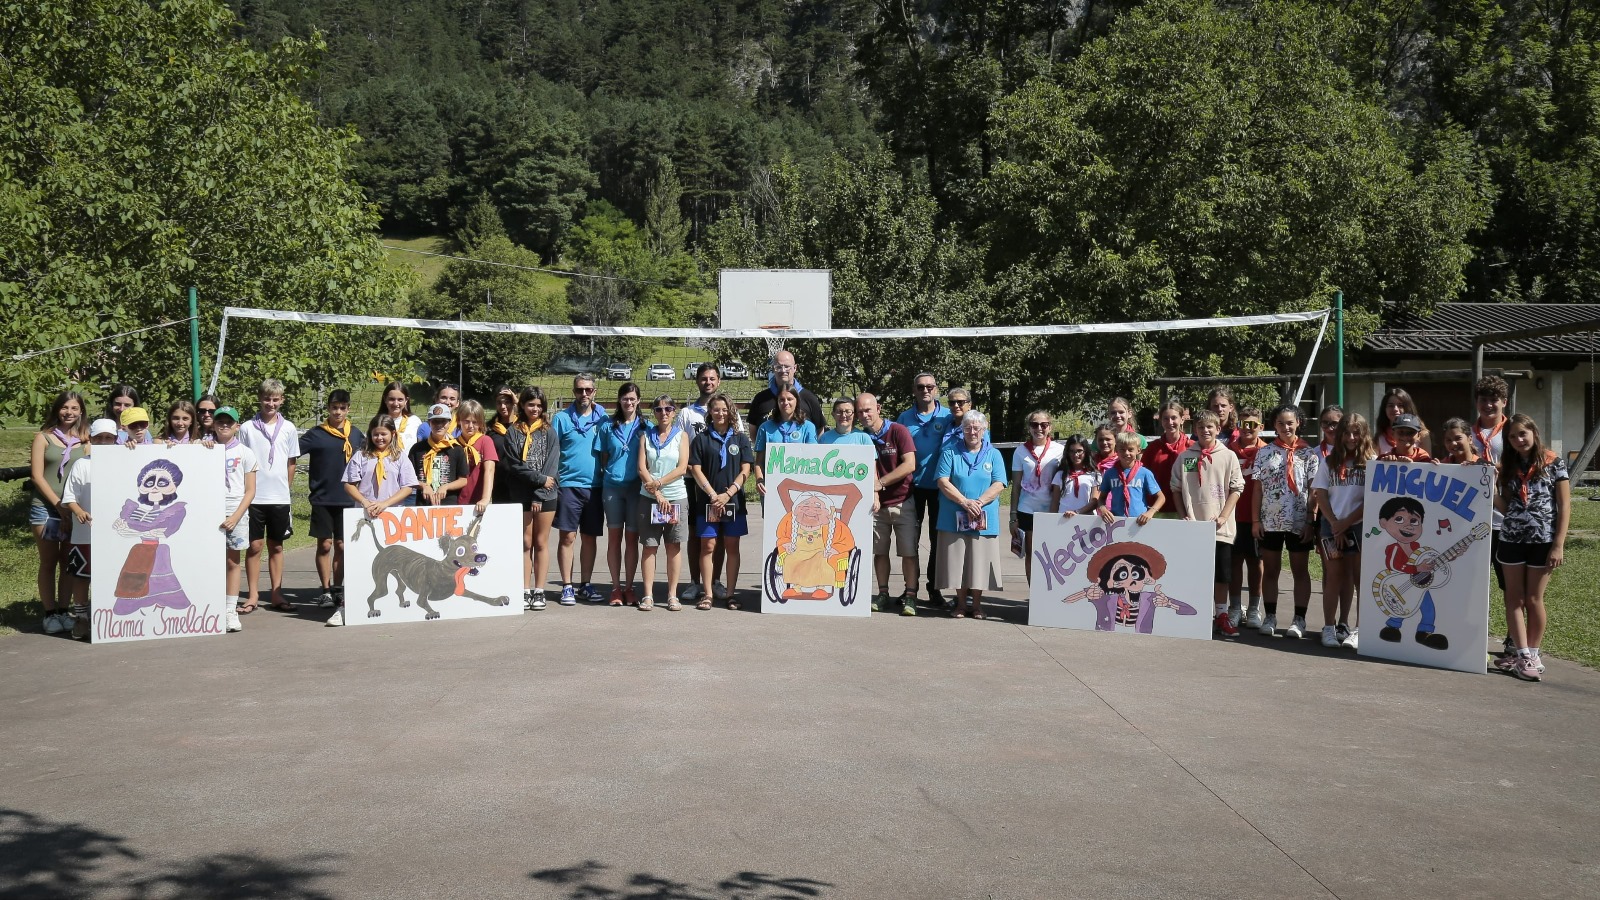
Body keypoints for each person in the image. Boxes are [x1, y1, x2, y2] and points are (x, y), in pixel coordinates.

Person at [1493, 414, 1570, 682]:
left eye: (1522, 434)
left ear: (1534, 433)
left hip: (1543, 541)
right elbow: (1506, 507)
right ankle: (1522, 654)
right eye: (1512, 437)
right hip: (1512, 539)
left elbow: (1564, 506)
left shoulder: (1553, 462)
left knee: (1535, 599)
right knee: (1514, 599)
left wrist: (1558, 545)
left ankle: (1534, 653)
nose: (1518, 440)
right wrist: (1492, 491)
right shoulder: (1508, 465)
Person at [335, 414, 421, 626]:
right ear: (370, 434)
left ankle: (397, 605)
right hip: (365, 516)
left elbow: (408, 486)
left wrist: (385, 504)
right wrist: (365, 502)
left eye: (384, 434)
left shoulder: (400, 457)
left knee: (393, 566)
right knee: (360, 563)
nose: (379, 438)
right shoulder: (361, 456)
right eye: (375, 434)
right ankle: (346, 607)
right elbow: (348, 484)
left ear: (393, 434)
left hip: (392, 517)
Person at [1168, 410, 1245, 638]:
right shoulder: (1186, 457)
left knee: (1221, 574)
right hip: (1195, 527)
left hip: (1220, 528)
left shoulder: (1228, 455)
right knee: (1196, 573)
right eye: (1201, 427)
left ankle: (1221, 615)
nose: (1205, 431)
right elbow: (1176, 488)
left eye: (1210, 427)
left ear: (1218, 429)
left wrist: (1223, 516)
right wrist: (1184, 515)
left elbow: (1237, 488)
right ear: (1195, 430)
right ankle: (1198, 615)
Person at [1252, 406, 1321, 641]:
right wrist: (1255, 520)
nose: (1285, 427)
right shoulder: (1264, 453)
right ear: (1275, 425)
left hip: (1299, 520)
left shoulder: (1309, 454)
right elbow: (1258, 488)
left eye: (1290, 422)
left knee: (1299, 570)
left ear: (1298, 423)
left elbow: (1315, 490)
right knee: (1271, 570)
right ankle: (1270, 616)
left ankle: (1299, 619)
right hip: (1270, 520)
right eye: (1280, 423)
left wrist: (1311, 520)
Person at [935, 410, 1008, 619]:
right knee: (958, 561)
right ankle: (959, 605)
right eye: (967, 428)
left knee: (979, 562)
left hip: (983, 517)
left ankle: (976, 606)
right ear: (962, 430)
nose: (972, 432)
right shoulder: (950, 451)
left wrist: (979, 503)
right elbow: (942, 480)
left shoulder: (994, 454)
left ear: (984, 431)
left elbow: (999, 483)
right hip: (953, 515)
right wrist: (964, 502)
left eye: (977, 428)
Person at [1310, 413, 1373, 649]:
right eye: (1346, 432)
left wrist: (1346, 523)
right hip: (1331, 526)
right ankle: (1328, 627)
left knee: (1358, 578)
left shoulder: (1371, 462)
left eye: (1356, 432)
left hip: (1358, 526)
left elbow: (1370, 500)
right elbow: (1321, 494)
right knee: (1334, 576)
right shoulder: (1329, 462)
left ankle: (1357, 629)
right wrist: (1335, 523)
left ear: (1364, 434)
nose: (1351, 437)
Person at [298, 389, 363, 609]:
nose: (338, 412)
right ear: (328, 408)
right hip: (323, 498)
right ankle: (325, 590)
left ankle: (338, 588)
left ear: (348, 409)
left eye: (342, 408)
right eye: (334, 407)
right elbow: (290, 451)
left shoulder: (356, 435)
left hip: (348, 499)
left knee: (342, 546)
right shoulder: (316, 433)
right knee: (324, 544)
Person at [238, 379, 300, 613]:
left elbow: (291, 461)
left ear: (282, 400)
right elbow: (242, 459)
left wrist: (286, 487)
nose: (270, 403)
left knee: (276, 546)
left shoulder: (289, 428)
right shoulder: (246, 428)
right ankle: (252, 594)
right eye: (266, 399)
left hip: (279, 497)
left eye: (275, 399)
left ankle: (276, 592)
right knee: (254, 546)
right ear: (259, 398)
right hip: (253, 496)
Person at [29, 391, 88, 634]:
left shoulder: (86, 441)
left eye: (74, 408)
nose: (69, 413)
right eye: (65, 408)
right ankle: (50, 613)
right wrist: (57, 504)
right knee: (48, 561)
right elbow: (37, 476)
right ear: (57, 409)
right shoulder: (43, 437)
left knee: (68, 561)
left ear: (81, 412)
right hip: (46, 509)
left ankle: (65, 610)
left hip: (74, 510)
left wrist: (70, 509)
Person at [58, 419, 122, 640]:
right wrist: (79, 511)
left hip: (116, 536)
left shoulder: (124, 462)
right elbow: (69, 498)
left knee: (115, 575)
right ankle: (82, 618)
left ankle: (112, 619)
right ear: (91, 439)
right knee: (82, 577)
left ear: (115, 440)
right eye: (99, 438)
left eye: (108, 438)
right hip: (85, 534)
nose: (103, 442)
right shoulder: (82, 465)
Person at [856, 393, 918, 613]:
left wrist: (880, 483)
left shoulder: (898, 430)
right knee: (880, 552)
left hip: (902, 501)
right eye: (860, 411)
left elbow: (910, 464)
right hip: (874, 505)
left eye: (868, 410)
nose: (864, 415)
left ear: (878, 408)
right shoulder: (860, 436)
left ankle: (911, 596)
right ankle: (883, 594)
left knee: (908, 552)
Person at [689, 393, 752, 609]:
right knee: (708, 546)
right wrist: (713, 494)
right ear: (710, 412)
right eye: (716, 409)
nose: (720, 413)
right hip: (709, 502)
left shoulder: (740, 439)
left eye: (724, 409)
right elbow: (695, 468)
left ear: (731, 411)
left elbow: (746, 469)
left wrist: (729, 493)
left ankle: (730, 594)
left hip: (733, 502)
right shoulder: (702, 438)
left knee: (732, 546)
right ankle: (707, 594)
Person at [897, 372, 955, 609]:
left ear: (937, 389)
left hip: (940, 489)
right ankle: (910, 588)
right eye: (921, 386)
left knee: (936, 540)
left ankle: (935, 588)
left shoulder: (948, 416)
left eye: (930, 386)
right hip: (912, 487)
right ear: (914, 390)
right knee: (910, 541)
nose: (925, 390)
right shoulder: (904, 418)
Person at [502, 388, 560, 610]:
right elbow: (514, 465)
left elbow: (552, 467)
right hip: (521, 494)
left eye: (538, 405)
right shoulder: (513, 432)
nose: (535, 409)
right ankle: (524, 590)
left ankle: (539, 590)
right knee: (525, 543)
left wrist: (539, 493)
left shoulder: (549, 432)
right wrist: (538, 480)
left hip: (546, 495)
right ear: (522, 406)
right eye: (530, 404)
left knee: (540, 542)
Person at [553, 374, 607, 605]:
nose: (583, 394)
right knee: (567, 536)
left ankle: (586, 584)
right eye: (579, 390)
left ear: (594, 391)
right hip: (567, 485)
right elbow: (552, 452)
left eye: (587, 390)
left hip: (595, 486)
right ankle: (567, 586)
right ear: (573, 392)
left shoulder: (602, 417)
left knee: (590, 537)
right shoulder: (561, 418)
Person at [677, 363, 729, 605]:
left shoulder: (726, 411)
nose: (708, 382)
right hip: (692, 481)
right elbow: (678, 446)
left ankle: (715, 581)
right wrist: (688, 466)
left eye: (712, 378)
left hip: (719, 483)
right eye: (703, 378)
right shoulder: (687, 414)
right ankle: (694, 582)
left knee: (717, 535)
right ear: (697, 381)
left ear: (718, 381)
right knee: (695, 534)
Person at [636, 394, 690, 610]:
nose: (664, 413)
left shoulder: (681, 436)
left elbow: (682, 468)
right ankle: (648, 595)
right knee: (649, 546)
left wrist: (659, 484)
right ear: (654, 413)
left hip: (676, 496)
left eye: (668, 409)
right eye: (659, 409)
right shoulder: (645, 436)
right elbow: (641, 468)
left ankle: (672, 595)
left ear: (674, 412)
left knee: (673, 546)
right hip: (649, 497)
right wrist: (657, 492)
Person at [598, 383, 644, 605]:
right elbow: (604, 457)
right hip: (612, 488)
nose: (629, 402)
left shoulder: (645, 426)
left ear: (638, 400)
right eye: (625, 398)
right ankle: (615, 588)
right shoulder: (607, 426)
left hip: (636, 489)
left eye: (632, 398)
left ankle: (629, 587)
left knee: (632, 539)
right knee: (614, 538)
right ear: (619, 400)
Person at [211, 407, 256, 633]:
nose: (224, 425)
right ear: (213, 424)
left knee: (232, 561)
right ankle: (209, 605)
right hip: (209, 510)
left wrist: (236, 516)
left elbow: (250, 490)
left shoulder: (246, 452)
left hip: (235, 511)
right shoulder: (205, 448)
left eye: (229, 422)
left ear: (237, 425)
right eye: (220, 421)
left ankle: (230, 609)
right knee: (209, 560)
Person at [1010, 410, 1062, 584]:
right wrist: (1013, 515)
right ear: (1029, 428)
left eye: (1043, 425)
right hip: (1027, 509)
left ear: (1050, 427)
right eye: (1034, 425)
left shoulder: (1059, 450)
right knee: (1031, 554)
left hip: (1052, 510)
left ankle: (1049, 594)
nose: (1039, 428)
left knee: (1052, 555)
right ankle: (1034, 596)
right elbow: (1015, 486)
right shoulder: (1020, 452)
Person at [1470, 376, 1510, 602]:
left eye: (1493, 400)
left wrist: (1492, 468)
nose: (1488, 405)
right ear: (1476, 402)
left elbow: (1523, 462)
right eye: (1483, 399)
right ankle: (1473, 634)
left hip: (1502, 515)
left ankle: (1512, 635)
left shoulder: (1513, 430)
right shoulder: (1467, 432)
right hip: (1472, 515)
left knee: (1508, 582)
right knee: (1473, 580)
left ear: (1504, 401)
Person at [754, 385, 818, 500]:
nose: (785, 403)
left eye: (790, 399)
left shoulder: (808, 427)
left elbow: (813, 459)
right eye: (781, 399)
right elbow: (758, 462)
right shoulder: (765, 427)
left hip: (801, 487)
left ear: (797, 401)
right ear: (777, 402)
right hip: (771, 487)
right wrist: (759, 480)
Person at [1091, 433, 1164, 524]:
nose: (1126, 453)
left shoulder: (1145, 473)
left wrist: (1151, 512)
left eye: (1130, 450)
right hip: (1116, 521)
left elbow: (1161, 497)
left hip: (1139, 522)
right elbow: (1101, 498)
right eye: (1122, 450)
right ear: (1117, 450)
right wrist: (1103, 509)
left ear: (1138, 450)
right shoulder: (1110, 473)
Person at [746, 350, 826, 434]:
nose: (783, 370)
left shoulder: (809, 398)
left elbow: (819, 430)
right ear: (773, 369)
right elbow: (753, 430)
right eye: (779, 367)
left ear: (795, 368)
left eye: (787, 366)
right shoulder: (761, 399)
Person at [1140, 400, 1191, 513]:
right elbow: (1143, 478)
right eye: (1166, 418)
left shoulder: (1191, 447)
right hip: (1157, 508)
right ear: (1161, 421)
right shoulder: (1153, 448)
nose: (1170, 422)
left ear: (1182, 419)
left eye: (1174, 418)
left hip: (1186, 509)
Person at [412, 403, 467, 506]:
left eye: (443, 421)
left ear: (449, 423)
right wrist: (423, 486)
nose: (439, 425)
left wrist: (446, 487)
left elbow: (463, 480)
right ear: (429, 423)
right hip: (423, 505)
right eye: (435, 421)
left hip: (449, 505)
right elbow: (408, 478)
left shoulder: (456, 448)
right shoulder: (417, 449)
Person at [455, 400, 498, 515]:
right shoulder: (453, 444)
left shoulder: (485, 441)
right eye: (466, 421)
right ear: (459, 421)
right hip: (456, 502)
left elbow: (490, 470)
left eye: (475, 422)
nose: (470, 426)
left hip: (478, 502)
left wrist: (485, 498)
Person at [1375, 387, 1432, 456]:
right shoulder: (1380, 436)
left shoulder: (1423, 435)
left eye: (1400, 405)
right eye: (1391, 405)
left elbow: (1426, 463)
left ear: (1408, 407)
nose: (1395, 409)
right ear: (1384, 409)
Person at [1052, 436, 1099, 520]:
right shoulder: (1060, 474)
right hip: (1063, 519)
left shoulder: (1094, 474)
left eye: (1079, 451)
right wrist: (1052, 521)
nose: (1076, 455)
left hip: (1086, 519)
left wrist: (1077, 512)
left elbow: (1094, 501)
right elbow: (1054, 503)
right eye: (1072, 451)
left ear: (1086, 451)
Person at [379, 381, 424, 457]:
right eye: (392, 399)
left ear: (406, 400)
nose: (396, 404)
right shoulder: (378, 422)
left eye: (400, 400)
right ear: (385, 399)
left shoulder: (414, 421)